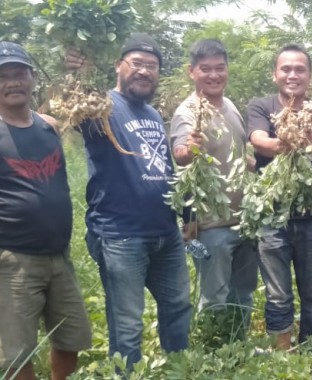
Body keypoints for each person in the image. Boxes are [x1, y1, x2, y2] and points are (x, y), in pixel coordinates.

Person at [65, 33, 192, 367]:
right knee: (128, 323)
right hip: (121, 236)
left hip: (166, 233)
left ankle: (178, 370)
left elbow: (164, 168)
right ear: (118, 66)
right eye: (137, 63)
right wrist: (78, 74)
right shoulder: (100, 107)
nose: (145, 71)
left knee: (178, 306)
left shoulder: (151, 114)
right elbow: (74, 107)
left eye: (152, 66)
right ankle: (127, 376)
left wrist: (184, 215)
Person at [0, 41, 92, 380]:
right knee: (16, 351)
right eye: (3, 76)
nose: (12, 82)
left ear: (32, 78)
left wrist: (79, 72)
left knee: (70, 339)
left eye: (19, 74)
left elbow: (82, 108)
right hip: (13, 259)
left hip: (58, 255)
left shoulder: (48, 126)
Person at [246, 44, 312, 351]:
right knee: (278, 294)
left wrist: (301, 135)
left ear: (309, 75)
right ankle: (282, 355)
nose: (292, 75)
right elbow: (259, 142)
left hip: (311, 217)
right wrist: (289, 139)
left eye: (300, 69)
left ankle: (311, 353)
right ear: (275, 74)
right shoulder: (261, 105)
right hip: (271, 217)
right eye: (286, 69)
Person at [170, 39, 258, 334]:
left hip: (244, 220)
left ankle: (238, 348)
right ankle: (212, 356)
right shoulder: (188, 112)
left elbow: (234, 148)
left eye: (219, 68)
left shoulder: (230, 105)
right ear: (191, 71)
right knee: (214, 297)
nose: (214, 75)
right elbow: (181, 153)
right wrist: (188, 149)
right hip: (210, 226)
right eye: (205, 69)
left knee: (243, 294)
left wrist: (246, 160)